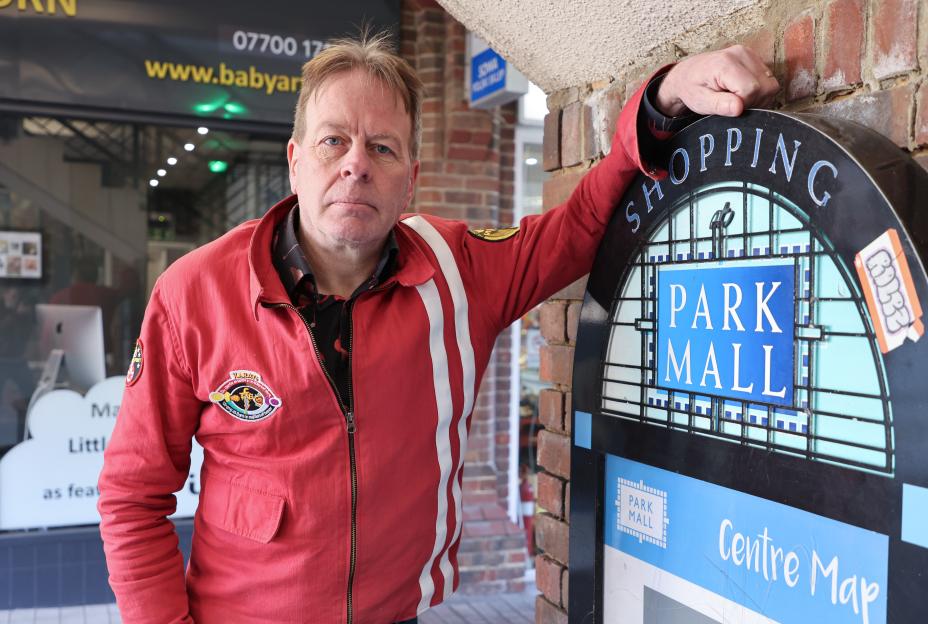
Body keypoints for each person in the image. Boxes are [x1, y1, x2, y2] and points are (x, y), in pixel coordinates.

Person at [97, 32, 777, 624]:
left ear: (410, 179)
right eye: (334, 140)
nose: (356, 162)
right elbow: (132, 497)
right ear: (296, 158)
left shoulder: (457, 271)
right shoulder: (194, 295)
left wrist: (658, 103)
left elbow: (572, 232)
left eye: (383, 147)